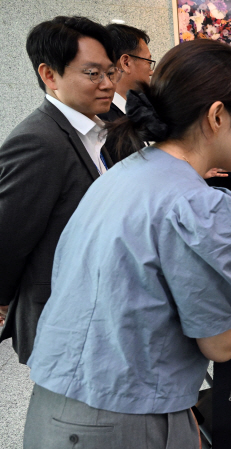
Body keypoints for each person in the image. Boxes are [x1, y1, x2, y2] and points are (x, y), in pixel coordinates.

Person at [23, 39, 231, 448]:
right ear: (218, 116)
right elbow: (222, 342)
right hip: (121, 420)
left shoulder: (123, 172)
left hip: (57, 405)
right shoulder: (202, 204)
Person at [0, 16, 117, 364]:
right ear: (49, 75)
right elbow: (8, 238)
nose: (107, 84)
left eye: (110, 73)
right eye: (93, 73)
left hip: (99, 316)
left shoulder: (97, 133)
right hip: (60, 322)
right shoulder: (38, 141)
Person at [99, 23, 153, 161]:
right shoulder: (106, 122)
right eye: (148, 61)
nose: (151, 71)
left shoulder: (133, 110)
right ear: (126, 63)